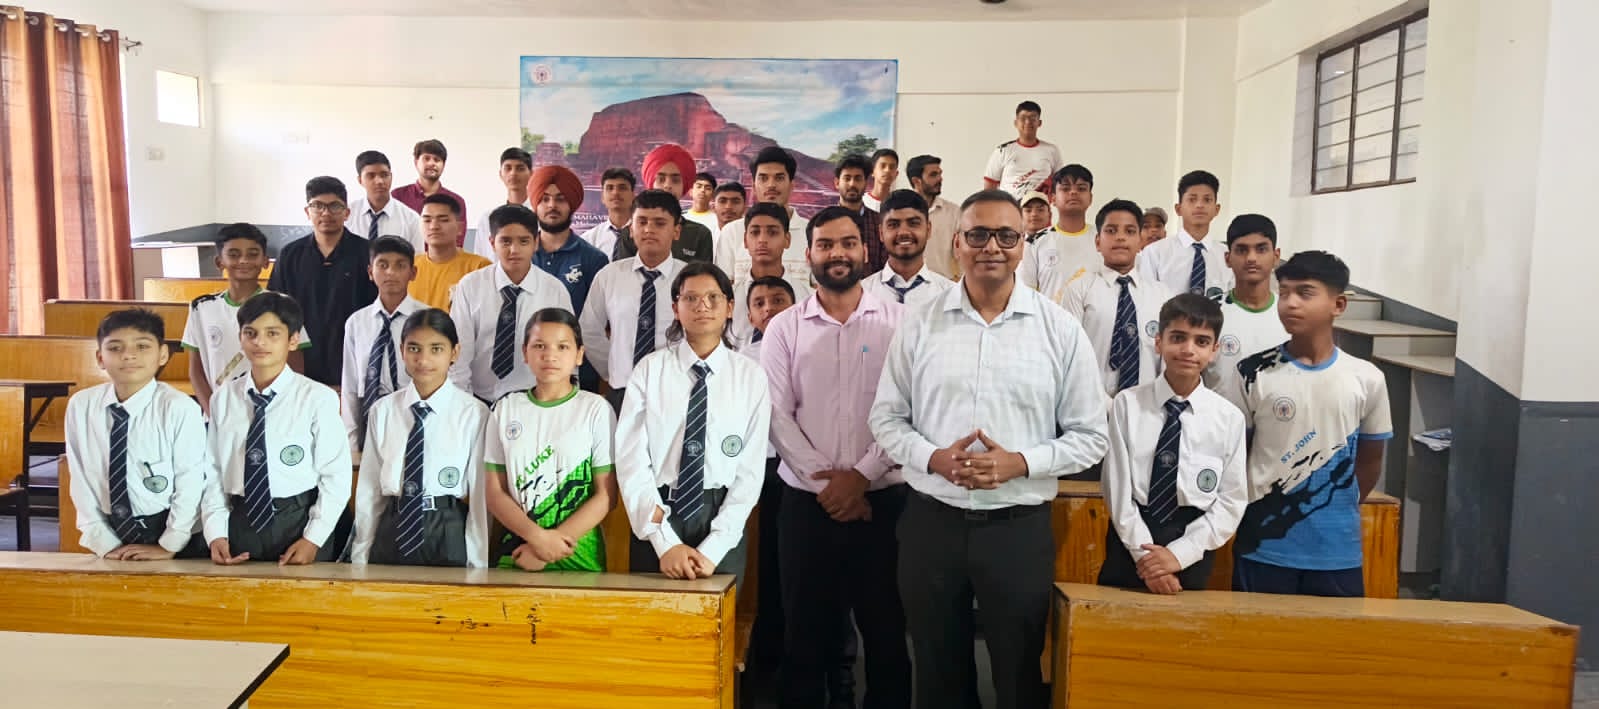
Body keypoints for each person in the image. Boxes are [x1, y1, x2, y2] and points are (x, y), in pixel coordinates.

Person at [869, 189, 1107, 709]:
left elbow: (1091, 436)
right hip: (932, 522)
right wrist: (933, 458)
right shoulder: (921, 323)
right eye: (977, 234)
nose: (991, 247)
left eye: (1005, 235)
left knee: (1019, 673)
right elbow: (885, 418)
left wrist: (1020, 463)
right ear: (957, 243)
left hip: (1016, 528)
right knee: (937, 671)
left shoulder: (1059, 330)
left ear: (1023, 245)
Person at [763, 206, 910, 709]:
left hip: (883, 504)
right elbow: (777, 415)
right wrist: (832, 487)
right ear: (809, 255)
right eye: (825, 244)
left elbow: (910, 409)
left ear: (865, 251)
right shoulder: (785, 327)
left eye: (847, 243)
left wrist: (863, 476)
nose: (837, 253)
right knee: (803, 635)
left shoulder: (901, 322)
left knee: (887, 633)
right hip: (808, 506)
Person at [1231, 251, 1392, 597]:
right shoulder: (1252, 372)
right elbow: (1236, 454)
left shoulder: (1367, 378)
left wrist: (1334, 504)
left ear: (1338, 305)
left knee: (1335, 633)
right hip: (1262, 545)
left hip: (1336, 549)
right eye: (1284, 292)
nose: (1290, 303)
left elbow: (1370, 461)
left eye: (1305, 293)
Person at [615, 262, 771, 584]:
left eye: (713, 298)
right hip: (657, 511)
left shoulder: (750, 376)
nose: (703, 306)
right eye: (691, 298)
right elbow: (632, 461)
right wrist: (664, 542)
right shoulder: (650, 370)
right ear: (675, 308)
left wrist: (715, 548)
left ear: (730, 307)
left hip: (722, 518)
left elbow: (751, 471)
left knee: (716, 616)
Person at [1099, 294, 1246, 594]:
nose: (1188, 350)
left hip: (1194, 544)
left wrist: (1179, 554)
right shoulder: (1127, 404)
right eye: (1178, 338)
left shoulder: (1229, 418)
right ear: (1159, 342)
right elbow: (1117, 489)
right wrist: (1146, 558)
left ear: (1215, 350)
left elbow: (1231, 500)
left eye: (1201, 341)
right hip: (1130, 540)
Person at [202, 292, 351, 565]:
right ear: (240, 337)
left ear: (293, 340)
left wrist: (313, 538)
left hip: (299, 521)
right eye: (251, 333)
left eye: (272, 333)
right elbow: (213, 472)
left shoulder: (317, 398)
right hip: (241, 521)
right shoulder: (223, 398)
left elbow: (336, 476)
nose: (260, 342)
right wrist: (216, 533)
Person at [351, 308, 490, 567]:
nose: (424, 360)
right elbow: (369, 489)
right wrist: (360, 553)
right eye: (414, 348)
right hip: (392, 525)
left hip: (446, 527)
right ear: (402, 350)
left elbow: (480, 497)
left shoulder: (474, 414)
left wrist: (478, 562)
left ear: (454, 353)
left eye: (436, 349)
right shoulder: (383, 410)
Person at [66, 309, 209, 559]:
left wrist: (170, 544)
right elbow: (79, 476)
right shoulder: (82, 405)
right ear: (100, 358)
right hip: (111, 530)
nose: (128, 355)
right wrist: (103, 541)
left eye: (142, 346)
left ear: (162, 354)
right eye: (115, 348)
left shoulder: (179, 407)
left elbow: (190, 480)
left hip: (171, 530)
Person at [485, 308, 618, 572]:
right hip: (519, 553)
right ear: (525, 352)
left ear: (579, 354)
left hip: (579, 556)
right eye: (539, 346)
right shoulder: (505, 408)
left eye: (562, 347)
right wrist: (536, 539)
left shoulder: (596, 409)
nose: (550, 356)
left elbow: (606, 495)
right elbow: (495, 492)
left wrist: (549, 548)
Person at [447, 203, 574, 404]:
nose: (514, 250)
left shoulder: (554, 290)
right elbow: (459, 354)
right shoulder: (471, 286)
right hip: (479, 400)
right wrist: (463, 404)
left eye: (524, 241)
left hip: (536, 401)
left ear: (536, 242)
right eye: (505, 241)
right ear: (492, 243)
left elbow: (567, 352)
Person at [182, 223, 309, 416]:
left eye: (252, 254)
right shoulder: (201, 307)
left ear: (265, 261)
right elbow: (196, 370)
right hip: (219, 411)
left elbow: (295, 364)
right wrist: (213, 411)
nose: (243, 260)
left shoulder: (283, 304)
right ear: (219, 262)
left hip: (271, 410)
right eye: (233, 254)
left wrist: (277, 409)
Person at [580, 190, 688, 410]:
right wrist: (613, 370)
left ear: (676, 231)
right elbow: (588, 330)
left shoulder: (691, 279)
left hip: (674, 392)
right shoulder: (609, 276)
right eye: (642, 222)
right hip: (622, 390)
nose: (649, 229)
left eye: (659, 223)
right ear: (631, 229)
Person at [267, 176, 378, 388]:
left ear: (347, 212)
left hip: (354, 360)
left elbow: (376, 311)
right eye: (318, 206)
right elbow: (276, 310)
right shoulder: (290, 255)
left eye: (334, 206)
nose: (326, 213)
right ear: (307, 211)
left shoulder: (368, 253)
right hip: (300, 362)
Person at [1062, 199, 1172, 400]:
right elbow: (1071, 356)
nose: (1120, 237)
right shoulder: (1079, 290)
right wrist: (1108, 406)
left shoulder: (1162, 295)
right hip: (1090, 403)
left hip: (1148, 405)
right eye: (1111, 231)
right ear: (1097, 242)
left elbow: (1168, 360)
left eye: (1129, 231)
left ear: (1140, 241)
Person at [341, 237, 427, 456]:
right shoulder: (357, 322)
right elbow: (350, 385)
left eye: (400, 265)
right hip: (369, 419)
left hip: (414, 416)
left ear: (413, 273)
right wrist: (351, 441)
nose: (390, 272)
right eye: (383, 265)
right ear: (370, 272)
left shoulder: (426, 319)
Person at [1205, 214, 1288, 411]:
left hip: (1278, 422)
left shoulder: (1292, 314)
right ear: (1228, 258)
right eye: (1242, 250)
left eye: (1261, 249)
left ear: (1276, 256)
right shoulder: (1209, 313)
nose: (1251, 258)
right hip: (1217, 423)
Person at [713, 147, 809, 280]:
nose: (771, 185)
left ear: (792, 185)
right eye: (763, 178)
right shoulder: (732, 232)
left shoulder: (811, 232)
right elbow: (724, 287)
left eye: (779, 178)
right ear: (753, 185)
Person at [730, 203, 814, 349]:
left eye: (772, 232)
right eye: (755, 232)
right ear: (745, 240)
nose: (762, 240)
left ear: (787, 240)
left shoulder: (807, 299)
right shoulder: (728, 298)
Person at [1139, 170, 1231, 300]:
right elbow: (1146, 299)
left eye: (1207, 200)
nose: (1199, 205)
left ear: (1217, 209)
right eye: (1192, 199)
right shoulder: (1155, 252)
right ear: (1178, 209)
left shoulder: (1227, 255)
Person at [614, 144, 715, 263]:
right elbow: (623, 272)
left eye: (675, 180)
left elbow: (702, 274)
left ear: (685, 185)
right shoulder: (630, 234)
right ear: (651, 182)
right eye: (661, 179)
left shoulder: (700, 234)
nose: (667, 185)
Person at [1019, 164, 1100, 304]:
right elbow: (1026, 296)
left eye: (1081, 188)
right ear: (1053, 199)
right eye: (1065, 188)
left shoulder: (1103, 239)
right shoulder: (1034, 242)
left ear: (1090, 198)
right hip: (1049, 318)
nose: (1073, 192)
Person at [863, 189, 955, 312]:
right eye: (893, 224)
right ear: (881, 233)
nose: (904, 232)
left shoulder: (951, 296)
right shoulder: (861, 294)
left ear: (928, 230)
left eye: (913, 223)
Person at [411, 194, 490, 311]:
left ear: (460, 228)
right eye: (427, 220)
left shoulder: (479, 267)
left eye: (443, 220)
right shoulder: (410, 266)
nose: (433, 226)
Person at [392, 139, 467, 245]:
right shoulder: (398, 196)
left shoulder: (456, 201)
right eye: (426, 158)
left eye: (437, 160)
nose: (432, 163)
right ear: (416, 162)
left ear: (443, 165)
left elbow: (458, 242)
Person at [345, 150, 423, 252]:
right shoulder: (347, 216)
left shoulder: (411, 219)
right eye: (371, 176)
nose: (379, 181)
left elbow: (417, 259)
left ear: (391, 176)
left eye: (384, 175)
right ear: (360, 180)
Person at [983, 100, 1063, 199]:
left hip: (1041, 207)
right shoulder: (1002, 151)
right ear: (1016, 123)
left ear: (1039, 123)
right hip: (1010, 206)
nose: (1028, 122)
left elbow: (1060, 185)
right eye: (1023, 118)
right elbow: (989, 187)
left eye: (1033, 118)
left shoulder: (1052, 150)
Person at [469, 147, 533, 260]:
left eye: (520, 168)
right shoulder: (487, 218)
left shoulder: (539, 216)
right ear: (500, 174)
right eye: (508, 168)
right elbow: (480, 258)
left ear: (531, 174)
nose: (513, 173)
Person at [905, 154, 960, 279]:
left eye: (940, 174)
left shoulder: (954, 212)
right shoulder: (900, 212)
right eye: (933, 175)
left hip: (944, 285)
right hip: (907, 285)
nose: (940, 179)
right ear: (916, 181)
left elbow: (962, 255)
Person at [835, 153, 888, 274]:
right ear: (837, 183)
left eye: (858, 179)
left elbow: (885, 267)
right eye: (847, 178)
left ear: (866, 183)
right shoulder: (824, 223)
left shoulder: (879, 222)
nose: (852, 184)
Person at [579, 167, 636, 258]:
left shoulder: (645, 235)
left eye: (622, 188)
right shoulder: (589, 240)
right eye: (610, 188)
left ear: (633, 195)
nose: (615, 192)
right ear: (602, 197)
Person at [862, 148, 899, 212]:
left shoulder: (899, 204)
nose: (887, 170)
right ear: (872, 171)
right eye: (883, 166)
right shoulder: (862, 202)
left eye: (892, 167)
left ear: (896, 174)